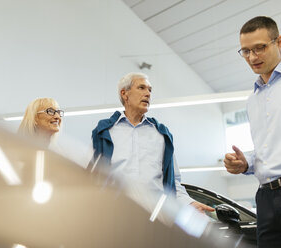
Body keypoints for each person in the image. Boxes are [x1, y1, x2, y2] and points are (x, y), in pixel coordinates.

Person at [224, 16, 281, 248]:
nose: (252, 57)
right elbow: (269, 147)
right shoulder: (253, 100)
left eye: (259, 48)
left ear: (279, 41)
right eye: (245, 51)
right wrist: (246, 163)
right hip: (266, 198)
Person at [90, 72, 214, 213]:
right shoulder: (104, 132)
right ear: (125, 94)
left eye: (150, 90)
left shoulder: (162, 134)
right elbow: (90, 177)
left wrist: (189, 203)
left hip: (156, 216)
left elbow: (173, 182)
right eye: (141, 88)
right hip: (115, 214)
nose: (148, 94)